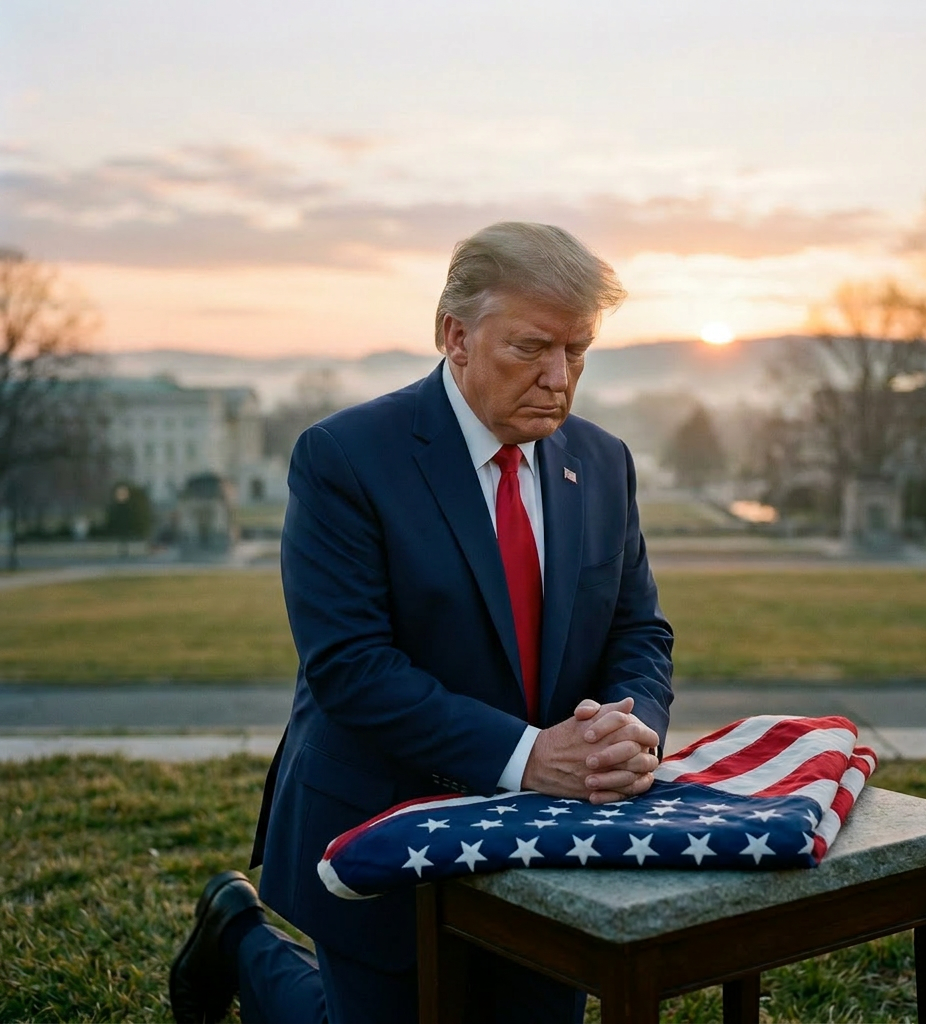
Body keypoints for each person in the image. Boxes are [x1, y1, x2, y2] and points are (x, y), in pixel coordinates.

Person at [169, 222, 674, 1024]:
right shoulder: (344, 457)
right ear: (456, 336)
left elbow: (638, 632)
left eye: (578, 352)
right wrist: (530, 755)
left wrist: (627, 729)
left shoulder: (604, 460)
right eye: (533, 347)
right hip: (382, 818)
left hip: (553, 836)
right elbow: (350, 668)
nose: (559, 378)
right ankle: (241, 936)